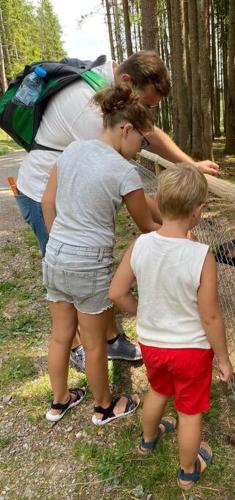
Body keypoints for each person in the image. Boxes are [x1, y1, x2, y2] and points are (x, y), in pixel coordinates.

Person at [16, 51, 220, 370]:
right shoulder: (90, 111)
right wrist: (173, 225)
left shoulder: (112, 103)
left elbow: (148, 136)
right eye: (147, 105)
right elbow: (130, 189)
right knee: (74, 277)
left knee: (89, 275)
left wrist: (189, 165)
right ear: (126, 82)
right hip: (46, 196)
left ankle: (108, 339)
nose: (147, 115)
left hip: (62, 195)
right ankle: (84, 346)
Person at [108, 164, 233, 489]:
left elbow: (116, 292)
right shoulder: (202, 256)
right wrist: (223, 358)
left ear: (159, 200)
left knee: (158, 391)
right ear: (198, 211)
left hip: (152, 344)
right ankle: (187, 471)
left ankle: (147, 440)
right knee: (189, 411)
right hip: (191, 351)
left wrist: (143, 311)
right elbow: (211, 317)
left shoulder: (140, 245)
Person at [41, 83, 159, 424]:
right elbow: (147, 225)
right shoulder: (124, 170)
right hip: (88, 265)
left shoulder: (73, 151)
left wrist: (60, 243)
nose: (140, 149)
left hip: (56, 256)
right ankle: (103, 406)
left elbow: (47, 203)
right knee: (94, 344)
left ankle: (59, 400)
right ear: (126, 129)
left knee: (61, 334)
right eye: (142, 141)